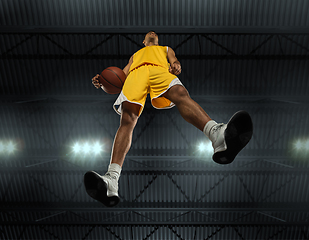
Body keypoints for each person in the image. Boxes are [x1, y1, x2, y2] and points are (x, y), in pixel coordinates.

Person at [84, 31, 253, 207]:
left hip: (159, 71)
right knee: (128, 117)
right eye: (148, 34)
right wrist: (103, 81)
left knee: (180, 93)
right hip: (136, 75)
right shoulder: (135, 56)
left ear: (157, 40)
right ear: (144, 41)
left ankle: (217, 135)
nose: (152, 33)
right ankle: (112, 179)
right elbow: (121, 76)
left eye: (154, 34)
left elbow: (174, 61)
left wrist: (176, 66)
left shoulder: (166, 49)